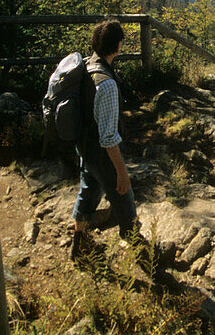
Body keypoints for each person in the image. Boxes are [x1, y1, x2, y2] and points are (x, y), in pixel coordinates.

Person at [71, 19, 139, 258]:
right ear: (117, 45)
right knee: (125, 201)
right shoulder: (107, 84)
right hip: (102, 153)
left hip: (85, 148)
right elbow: (109, 136)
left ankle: (79, 246)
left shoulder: (87, 67)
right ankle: (144, 258)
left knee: (88, 193)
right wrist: (121, 171)